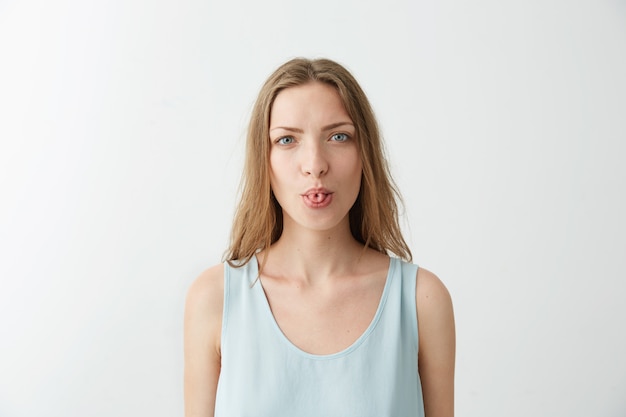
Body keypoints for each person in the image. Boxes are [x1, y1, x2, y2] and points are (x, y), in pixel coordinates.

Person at [184, 57, 455, 417]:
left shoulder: (421, 301)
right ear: (262, 159)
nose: (314, 163)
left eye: (338, 136)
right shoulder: (215, 299)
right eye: (286, 140)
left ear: (365, 154)